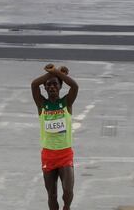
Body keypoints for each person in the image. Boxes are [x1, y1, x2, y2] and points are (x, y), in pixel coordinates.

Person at [31, 64, 78, 210]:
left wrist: (56, 72)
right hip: (48, 155)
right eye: (48, 85)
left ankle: (67, 207)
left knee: (68, 190)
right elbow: (34, 84)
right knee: (51, 194)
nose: (52, 87)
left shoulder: (66, 103)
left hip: (65, 154)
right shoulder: (41, 105)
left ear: (60, 87)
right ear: (45, 88)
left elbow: (75, 86)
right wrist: (52, 74)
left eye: (55, 84)